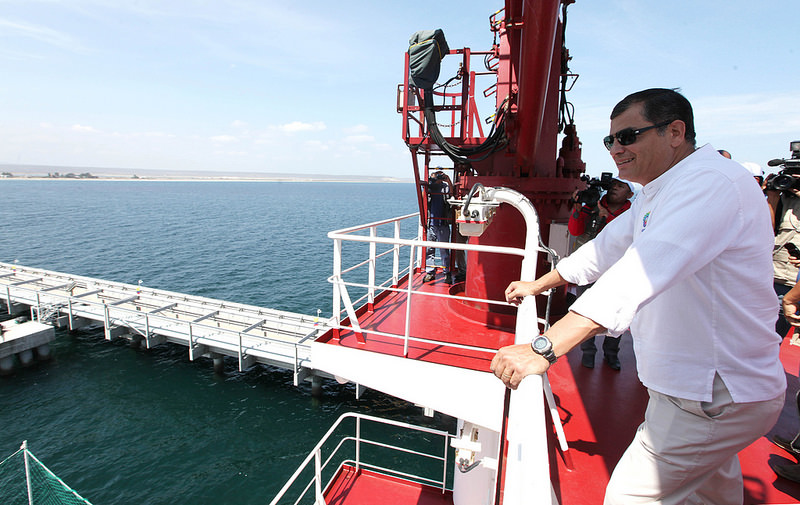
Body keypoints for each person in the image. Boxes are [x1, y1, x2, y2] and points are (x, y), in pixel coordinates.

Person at [491, 88, 786, 504]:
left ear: (675, 132)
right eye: (609, 140)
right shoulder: (660, 189)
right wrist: (540, 284)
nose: (615, 149)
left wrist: (544, 346)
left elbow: (639, 270)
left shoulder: (712, 184)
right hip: (697, 389)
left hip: (712, 394)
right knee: (710, 493)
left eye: (628, 137)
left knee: (631, 498)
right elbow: (605, 248)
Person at [567, 178, 633, 370]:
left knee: (617, 311)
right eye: (613, 186)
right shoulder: (592, 206)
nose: (614, 189)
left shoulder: (632, 214)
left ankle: (611, 354)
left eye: (621, 187)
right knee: (585, 309)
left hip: (618, 268)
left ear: (629, 194)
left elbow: (627, 235)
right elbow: (575, 230)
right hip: (590, 267)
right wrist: (579, 209)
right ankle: (588, 352)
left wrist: (607, 217)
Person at [766, 172, 800, 338]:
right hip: (778, 278)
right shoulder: (784, 197)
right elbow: (764, 231)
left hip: (793, 282)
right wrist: (772, 197)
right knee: (766, 341)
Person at [424, 169, 453, 284]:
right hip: (432, 223)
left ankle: (446, 273)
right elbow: (424, 196)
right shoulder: (430, 187)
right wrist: (430, 182)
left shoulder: (445, 186)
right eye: (437, 174)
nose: (439, 176)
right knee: (429, 250)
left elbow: (451, 194)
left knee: (444, 250)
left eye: (440, 173)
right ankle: (430, 272)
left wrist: (448, 180)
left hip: (443, 223)